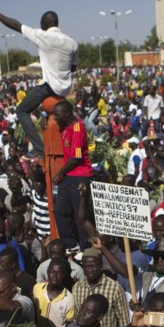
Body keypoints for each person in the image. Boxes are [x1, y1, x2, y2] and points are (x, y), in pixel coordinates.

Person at [0, 3, 78, 158]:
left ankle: (39, 149)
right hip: (65, 88)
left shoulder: (43, 36)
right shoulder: (72, 42)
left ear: (45, 24)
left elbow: (16, 25)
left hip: (49, 87)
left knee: (21, 111)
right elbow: (73, 68)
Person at [52, 100, 94, 251]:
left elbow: (76, 158)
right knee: (61, 209)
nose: (55, 118)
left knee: (80, 214)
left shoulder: (77, 129)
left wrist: (59, 173)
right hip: (69, 176)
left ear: (67, 114)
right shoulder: (64, 127)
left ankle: (85, 247)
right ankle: (70, 244)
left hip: (80, 176)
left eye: (57, 115)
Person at [72, 248, 129, 327]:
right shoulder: (77, 287)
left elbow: (123, 320)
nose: (91, 270)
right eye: (87, 266)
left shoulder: (114, 288)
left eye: (94, 266)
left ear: (101, 265)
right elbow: (76, 317)